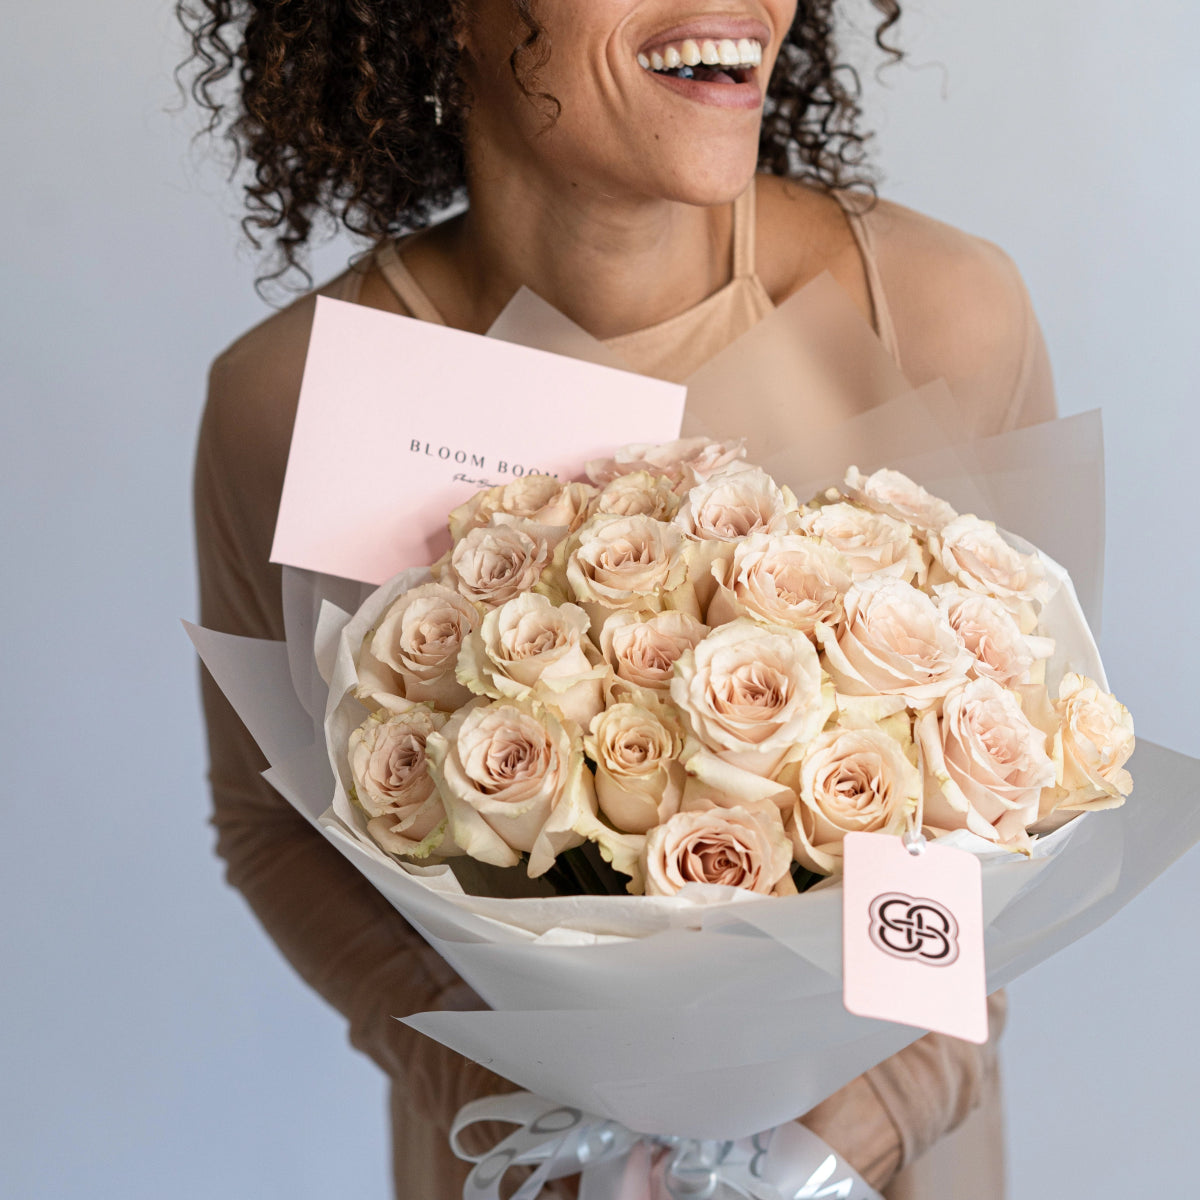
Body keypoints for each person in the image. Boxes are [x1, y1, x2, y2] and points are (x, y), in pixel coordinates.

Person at [182, 0, 1055, 1195]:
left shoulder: (939, 312)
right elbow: (274, 834)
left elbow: (1027, 818)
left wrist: (825, 1150)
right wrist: (525, 1110)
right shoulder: (285, 399)